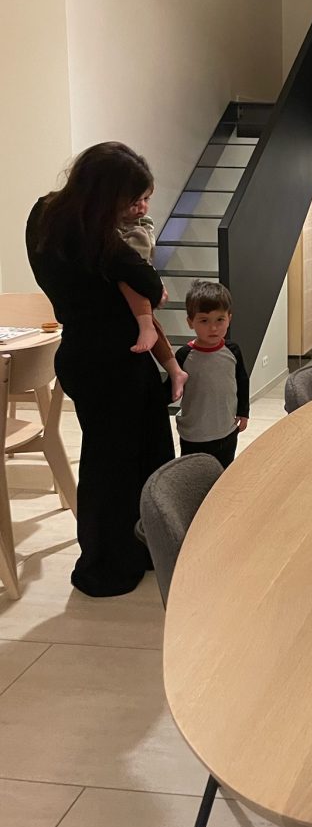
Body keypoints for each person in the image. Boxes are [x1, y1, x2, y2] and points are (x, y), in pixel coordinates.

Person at [25, 142, 175, 597]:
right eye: (132, 200)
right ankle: (109, 563)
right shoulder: (94, 235)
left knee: (119, 459)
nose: (138, 209)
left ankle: (133, 551)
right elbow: (151, 284)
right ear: (106, 195)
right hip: (113, 361)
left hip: (87, 354)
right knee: (120, 467)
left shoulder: (45, 216)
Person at [117, 188, 187, 401]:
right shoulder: (122, 225)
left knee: (128, 284)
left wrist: (155, 285)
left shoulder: (139, 227)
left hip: (136, 279)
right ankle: (175, 370)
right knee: (154, 326)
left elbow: (133, 269)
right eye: (134, 201)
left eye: (146, 199)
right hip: (140, 277)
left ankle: (146, 326)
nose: (142, 206)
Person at [173, 281, 249, 469]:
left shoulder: (233, 350)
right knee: (194, 476)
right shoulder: (184, 355)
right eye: (204, 321)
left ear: (229, 319)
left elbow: (242, 381)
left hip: (227, 430)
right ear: (190, 322)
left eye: (219, 320)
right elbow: (172, 388)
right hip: (194, 435)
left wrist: (243, 412)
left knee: (224, 474)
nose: (213, 328)